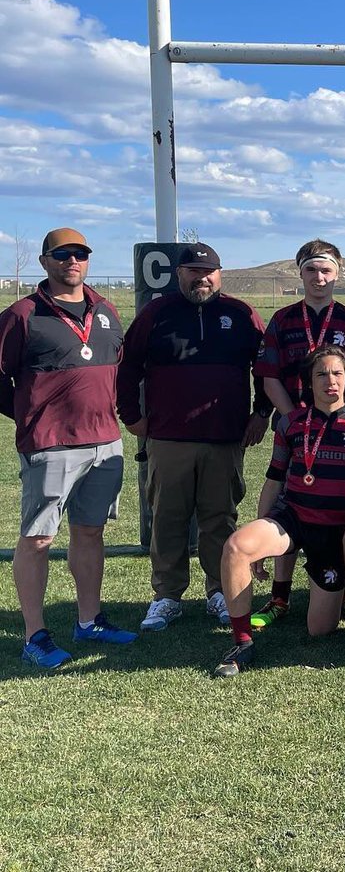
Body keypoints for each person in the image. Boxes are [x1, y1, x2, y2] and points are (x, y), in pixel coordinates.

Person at [117, 242, 270, 632]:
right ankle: (167, 595)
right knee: (167, 517)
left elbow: (266, 367)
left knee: (219, 517)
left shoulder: (240, 314)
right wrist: (131, 416)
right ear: (179, 274)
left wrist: (261, 413)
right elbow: (128, 366)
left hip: (224, 437)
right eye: (192, 272)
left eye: (209, 272)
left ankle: (219, 590)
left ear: (220, 274)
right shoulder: (156, 313)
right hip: (169, 438)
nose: (201, 278)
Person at [0, 228, 134, 669]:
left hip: (104, 443)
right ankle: (35, 633)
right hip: (50, 445)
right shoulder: (23, 314)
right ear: (45, 261)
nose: (71, 262)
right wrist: (30, 416)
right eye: (62, 255)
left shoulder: (106, 310)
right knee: (39, 538)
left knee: (91, 531)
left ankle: (89, 619)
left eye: (79, 254)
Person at [211, 347, 345, 677]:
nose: (330, 381)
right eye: (321, 374)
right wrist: (260, 540)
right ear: (308, 381)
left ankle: (340, 585)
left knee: (319, 629)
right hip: (291, 518)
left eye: (337, 374)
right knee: (236, 547)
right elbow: (274, 481)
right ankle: (242, 642)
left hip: (335, 529)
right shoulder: (290, 422)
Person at [250, 238, 345, 629]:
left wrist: (339, 416)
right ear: (299, 272)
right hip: (296, 428)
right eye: (311, 270)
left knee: (340, 505)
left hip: (341, 428)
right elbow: (269, 376)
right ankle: (279, 596)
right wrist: (296, 421)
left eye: (326, 271)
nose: (319, 277)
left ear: (338, 274)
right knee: (289, 503)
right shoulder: (283, 320)